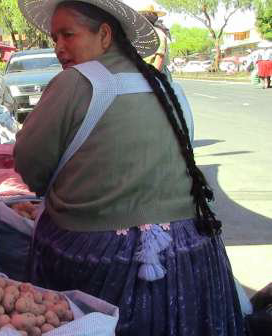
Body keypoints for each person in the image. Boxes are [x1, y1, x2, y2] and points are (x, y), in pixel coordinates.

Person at [15, 0, 245, 334]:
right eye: (54, 38)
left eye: (68, 34)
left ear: (104, 35)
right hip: (190, 253)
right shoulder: (165, 84)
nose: (59, 47)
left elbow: (29, 165)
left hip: (98, 256)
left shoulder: (74, 83)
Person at [138, 4, 173, 82]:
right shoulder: (139, 35)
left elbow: (159, 61)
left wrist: (151, 80)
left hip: (154, 76)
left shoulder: (158, 34)